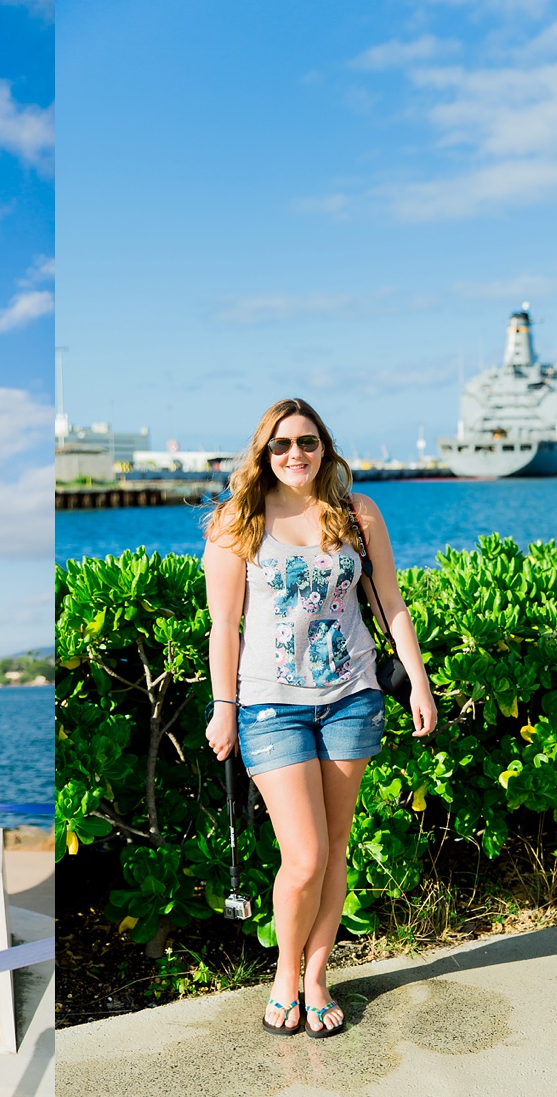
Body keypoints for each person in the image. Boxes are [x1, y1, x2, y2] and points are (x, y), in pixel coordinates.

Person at [202, 398, 438, 1038]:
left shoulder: (358, 515)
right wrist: (224, 707)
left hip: (352, 697)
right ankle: (284, 974)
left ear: (325, 448)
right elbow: (224, 626)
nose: (294, 455)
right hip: (270, 706)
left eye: (307, 442)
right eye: (280, 446)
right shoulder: (236, 522)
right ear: (262, 454)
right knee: (302, 856)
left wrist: (417, 680)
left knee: (334, 848)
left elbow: (390, 602)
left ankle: (316, 978)